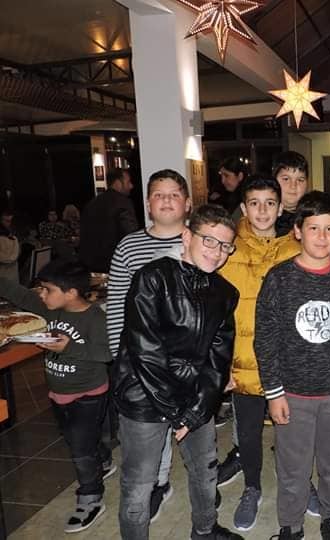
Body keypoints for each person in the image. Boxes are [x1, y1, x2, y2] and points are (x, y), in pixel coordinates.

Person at [112, 204, 242, 540]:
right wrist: (175, 411)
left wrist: (197, 409)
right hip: (144, 394)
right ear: (187, 236)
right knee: (139, 483)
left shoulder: (225, 293)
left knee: (204, 469)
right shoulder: (152, 278)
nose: (217, 252)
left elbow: (218, 358)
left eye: (225, 246)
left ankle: (205, 529)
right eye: (209, 241)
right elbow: (145, 350)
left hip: (196, 397)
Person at [255, 191, 330, 540]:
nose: (322, 236)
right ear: (298, 230)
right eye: (314, 228)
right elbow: (265, 339)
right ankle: (291, 524)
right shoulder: (279, 278)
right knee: (293, 467)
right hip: (292, 394)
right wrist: (273, 393)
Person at [0, 259, 113, 533]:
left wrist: (69, 348)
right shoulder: (48, 309)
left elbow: (105, 353)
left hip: (88, 393)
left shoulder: (95, 319)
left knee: (79, 447)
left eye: (47, 289)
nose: (41, 294)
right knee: (78, 439)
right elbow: (20, 295)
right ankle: (102, 459)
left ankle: (91, 497)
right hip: (58, 392)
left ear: (71, 293)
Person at [106, 169, 192, 522]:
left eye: (174, 194)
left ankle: (203, 482)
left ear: (187, 203)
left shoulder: (200, 240)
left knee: (190, 423)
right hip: (143, 357)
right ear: (147, 203)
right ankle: (158, 482)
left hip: (188, 354)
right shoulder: (128, 246)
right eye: (159, 194)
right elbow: (117, 303)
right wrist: (118, 355)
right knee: (152, 423)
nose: (166, 200)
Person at [215, 175, 300, 532]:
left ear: (280, 208)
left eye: (270, 203)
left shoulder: (296, 248)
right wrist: (222, 365)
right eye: (254, 203)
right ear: (244, 208)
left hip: (289, 365)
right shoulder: (228, 250)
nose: (262, 211)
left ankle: (298, 484)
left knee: (291, 433)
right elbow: (218, 314)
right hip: (244, 363)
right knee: (248, 434)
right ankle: (252, 487)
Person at [79, 168, 139, 273]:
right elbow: (131, 235)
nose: (131, 186)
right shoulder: (123, 203)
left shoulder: (92, 203)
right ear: (118, 183)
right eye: (128, 182)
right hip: (116, 265)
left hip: (90, 266)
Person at [273, 151, 310, 236]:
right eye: (286, 179)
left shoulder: (314, 216)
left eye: (300, 180)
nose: (293, 186)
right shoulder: (261, 217)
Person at [0, 209, 20, 282]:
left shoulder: (14, 237)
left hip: (12, 273)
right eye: (6, 220)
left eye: (11, 221)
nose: (9, 223)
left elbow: (14, 256)